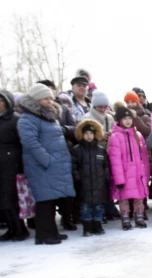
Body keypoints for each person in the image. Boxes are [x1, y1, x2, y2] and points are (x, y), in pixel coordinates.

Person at [18, 84, 76, 245]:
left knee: (52, 199)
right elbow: (30, 142)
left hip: (53, 165)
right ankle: (44, 235)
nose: (50, 101)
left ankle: (52, 231)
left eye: (51, 98)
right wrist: (46, 160)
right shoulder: (28, 118)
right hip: (42, 167)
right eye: (46, 98)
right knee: (44, 201)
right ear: (36, 99)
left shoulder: (47, 115)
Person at [108, 107, 150, 230]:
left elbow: (144, 157)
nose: (127, 121)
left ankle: (139, 217)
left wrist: (145, 174)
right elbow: (115, 160)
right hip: (125, 174)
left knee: (139, 197)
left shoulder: (138, 135)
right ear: (119, 120)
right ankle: (125, 218)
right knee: (123, 197)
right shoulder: (115, 137)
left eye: (129, 118)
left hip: (137, 173)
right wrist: (119, 179)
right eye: (124, 119)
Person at [71, 120, 110, 236]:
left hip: (99, 184)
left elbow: (106, 165)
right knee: (85, 207)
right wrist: (78, 178)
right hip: (84, 185)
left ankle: (97, 225)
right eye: (86, 133)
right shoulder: (77, 150)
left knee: (98, 206)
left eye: (91, 133)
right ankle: (87, 227)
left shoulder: (100, 150)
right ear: (82, 134)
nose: (89, 136)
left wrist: (106, 177)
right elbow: (73, 166)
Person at [0, 90, 29, 241]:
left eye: (1, 100)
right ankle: (11, 228)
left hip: (13, 165)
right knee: (3, 200)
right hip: (2, 166)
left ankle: (20, 229)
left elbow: (23, 143)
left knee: (11, 199)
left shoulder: (15, 119)